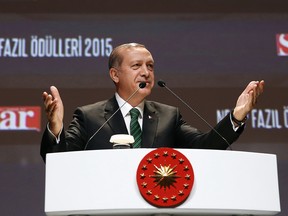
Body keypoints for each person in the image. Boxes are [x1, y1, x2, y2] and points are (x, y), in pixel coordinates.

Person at [40, 42, 264, 162]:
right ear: (115, 75)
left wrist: (236, 117)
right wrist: (55, 128)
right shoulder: (89, 116)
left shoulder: (169, 116)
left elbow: (205, 148)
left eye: (150, 66)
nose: (146, 73)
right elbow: (61, 163)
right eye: (136, 66)